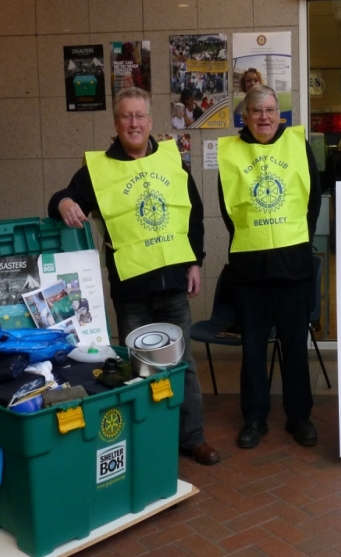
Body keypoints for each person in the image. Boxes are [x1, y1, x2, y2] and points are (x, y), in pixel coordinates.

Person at [48, 87, 219, 466]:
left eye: (140, 115)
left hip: (173, 284)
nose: (134, 123)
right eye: (126, 116)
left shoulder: (173, 161)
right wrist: (65, 202)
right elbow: (61, 196)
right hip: (131, 292)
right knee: (139, 369)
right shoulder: (99, 170)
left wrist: (196, 263)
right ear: (116, 123)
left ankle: (192, 438)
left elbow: (194, 213)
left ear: (151, 121)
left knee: (182, 364)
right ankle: (147, 437)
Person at [217, 84, 322, 449]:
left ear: (280, 114)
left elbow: (313, 200)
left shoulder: (298, 145)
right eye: (256, 110)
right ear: (244, 116)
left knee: (295, 346)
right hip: (249, 271)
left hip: (293, 267)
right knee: (253, 349)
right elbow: (228, 209)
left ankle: (300, 417)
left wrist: (297, 239)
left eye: (270, 110)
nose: (264, 116)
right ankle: (255, 418)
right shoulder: (230, 153)